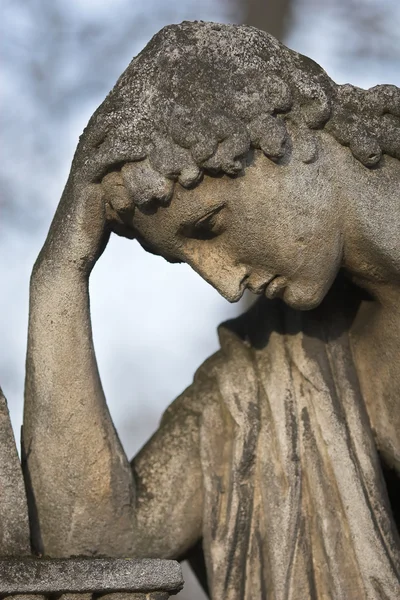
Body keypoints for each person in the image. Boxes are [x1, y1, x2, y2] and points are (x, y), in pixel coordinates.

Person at [23, 22, 400, 599]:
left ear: (285, 130)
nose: (224, 285)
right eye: (187, 260)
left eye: (210, 226)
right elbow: (97, 545)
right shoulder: (263, 376)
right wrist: (59, 273)